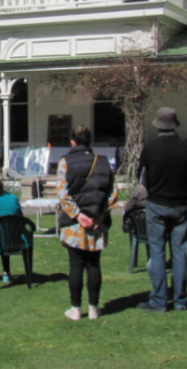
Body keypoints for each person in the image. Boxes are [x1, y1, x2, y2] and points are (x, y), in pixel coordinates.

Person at [57, 125, 118, 321]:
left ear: (72, 141)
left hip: (75, 224)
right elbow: (113, 192)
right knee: (93, 265)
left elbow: (62, 193)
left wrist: (77, 215)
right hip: (96, 222)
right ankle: (93, 307)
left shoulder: (65, 162)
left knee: (76, 265)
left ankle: (75, 308)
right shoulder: (102, 162)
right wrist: (99, 215)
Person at [137, 107, 187, 313]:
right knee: (179, 253)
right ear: (174, 125)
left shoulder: (151, 148)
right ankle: (180, 300)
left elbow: (141, 177)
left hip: (157, 204)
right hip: (179, 204)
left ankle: (159, 300)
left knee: (158, 253)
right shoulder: (186, 149)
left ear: (159, 126)